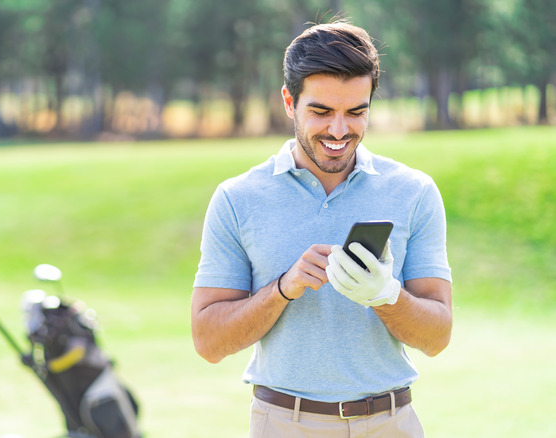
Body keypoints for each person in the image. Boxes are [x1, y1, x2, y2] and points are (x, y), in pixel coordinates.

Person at [190, 20, 452, 438]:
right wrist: (282, 289)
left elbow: (437, 336)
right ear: (289, 102)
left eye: (356, 112)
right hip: (283, 424)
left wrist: (387, 296)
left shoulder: (413, 192)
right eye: (321, 111)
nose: (339, 130)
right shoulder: (238, 198)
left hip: (391, 424)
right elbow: (208, 341)